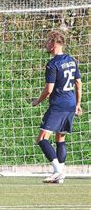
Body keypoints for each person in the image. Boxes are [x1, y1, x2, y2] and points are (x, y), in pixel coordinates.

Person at [32, 30, 82, 184]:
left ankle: (57, 171)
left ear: (54, 44)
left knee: (41, 138)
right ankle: (60, 174)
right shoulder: (72, 60)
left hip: (58, 105)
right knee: (60, 137)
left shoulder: (53, 64)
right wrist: (78, 104)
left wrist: (37, 101)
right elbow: (78, 83)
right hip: (70, 103)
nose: (46, 45)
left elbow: (49, 90)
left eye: (48, 42)